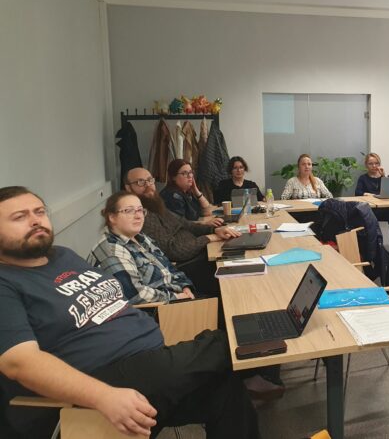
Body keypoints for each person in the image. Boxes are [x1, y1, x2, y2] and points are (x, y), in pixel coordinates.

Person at [0, 186, 259, 439]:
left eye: (40, 212)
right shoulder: (6, 282)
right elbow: (19, 362)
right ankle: (246, 339)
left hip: (151, 362)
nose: (35, 221)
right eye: (19, 217)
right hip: (101, 381)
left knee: (225, 389)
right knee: (229, 343)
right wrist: (104, 396)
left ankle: (242, 345)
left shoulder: (63, 257)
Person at [124, 167, 240, 296]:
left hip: (195, 252)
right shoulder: (140, 217)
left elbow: (185, 224)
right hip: (185, 265)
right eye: (140, 182)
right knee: (233, 274)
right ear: (128, 188)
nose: (148, 185)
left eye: (150, 180)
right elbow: (174, 251)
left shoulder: (154, 204)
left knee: (237, 255)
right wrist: (210, 237)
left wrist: (214, 229)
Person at [87, 191, 196, 305]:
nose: (138, 216)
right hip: (154, 312)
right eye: (129, 211)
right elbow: (135, 294)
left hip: (174, 300)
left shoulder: (141, 238)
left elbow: (169, 267)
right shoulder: (111, 250)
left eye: (140, 210)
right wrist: (176, 297)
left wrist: (185, 287)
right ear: (112, 217)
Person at [160, 159, 222, 226]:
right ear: (173, 177)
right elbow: (180, 224)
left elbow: (209, 211)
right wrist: (205, 223)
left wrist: (196, 191)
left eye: (190, 172)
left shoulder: (186, 192)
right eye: (184, 173)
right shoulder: (172, 196)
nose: (190, 176)